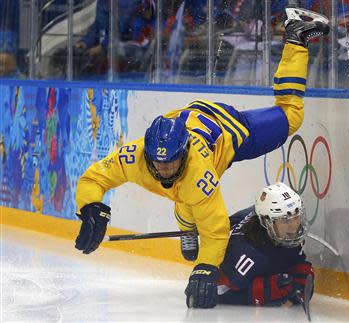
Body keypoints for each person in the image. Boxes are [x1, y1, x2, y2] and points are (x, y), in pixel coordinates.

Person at [74, 5, 329, 309]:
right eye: (159, 162)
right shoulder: (133, 156)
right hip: (197, 127)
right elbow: (93, 178)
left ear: (184, 153)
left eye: (172, 161)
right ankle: (186, 226)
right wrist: (89, 205)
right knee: (186, 201)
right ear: (147, 154)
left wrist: (206, 267)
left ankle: (296, 37)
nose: (166, 168)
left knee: (290, 116)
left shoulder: (198, 174)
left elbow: (217, 229)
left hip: (231, 130)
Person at [217, 182, 314, 309]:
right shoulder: (247, 254)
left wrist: (298, 274)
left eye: (296, 217)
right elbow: (218, 290)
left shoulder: (280, 230)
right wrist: (257, 293)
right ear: (266, 222)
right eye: (285, 220)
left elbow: (293, 262)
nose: (294, 226)